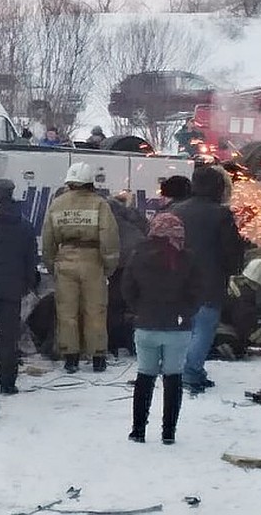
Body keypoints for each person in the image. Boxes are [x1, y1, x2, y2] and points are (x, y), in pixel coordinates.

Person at [122, 212, 199, 445]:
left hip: (146, 326)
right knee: (173, 378)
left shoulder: (138, 255)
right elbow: (197, 293)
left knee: (145, 377)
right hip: (177, 329)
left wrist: (140, 310)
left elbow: (127, 289)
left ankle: (138, 430)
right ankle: (168, 432)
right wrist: (184, 313)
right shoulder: (188, 258)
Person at [171, 166, 244, 393]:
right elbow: (231, 249)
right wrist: (235, 268)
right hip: (209, 280)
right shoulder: (221, 214)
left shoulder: (177, 210)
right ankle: (191, 373)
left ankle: (190, 369)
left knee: (186, 329)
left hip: (179, 279)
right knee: (204, 329)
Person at [42, 162, 120, 373]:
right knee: (95, 310)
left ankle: (70, 357)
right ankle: (98, 357)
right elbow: (109, 237)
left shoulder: (57, 204)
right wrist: (109, 265)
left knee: (66, 311)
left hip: (65, 260)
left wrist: (51, 265)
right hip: (93, 261)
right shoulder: (100, 204)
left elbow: (48, 239)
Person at [0, 178, 38, 395]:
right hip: (12, 287)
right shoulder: (24, 224)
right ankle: (7, 382)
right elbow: (31, 259)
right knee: (8, 338)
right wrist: (28, 283)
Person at [106, 191, 148, 356]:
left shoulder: (107, 215)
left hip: (118, 263)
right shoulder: (133, 214)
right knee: (133, 304)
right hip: (139, 261)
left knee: (114, 304)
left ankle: (114, 343)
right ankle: (132, 343)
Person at [219, 257, 261, 360]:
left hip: (219, 327)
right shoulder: (244, 295)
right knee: (237, 350)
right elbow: (248, 325)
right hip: (222, 333)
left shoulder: (237, 286)